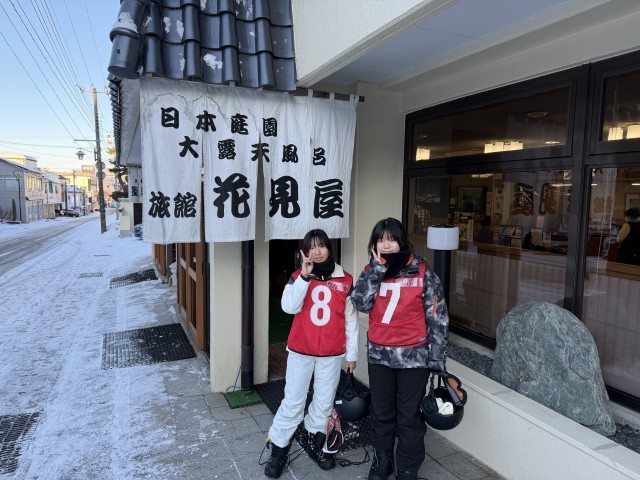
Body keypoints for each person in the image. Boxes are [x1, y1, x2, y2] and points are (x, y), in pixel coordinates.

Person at [351, 218, 449, 480]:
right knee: (381, 413)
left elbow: (438, 317)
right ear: (374, 244)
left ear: (402, 241)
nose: (386, 245)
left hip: (414, 358)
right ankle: (382, 462)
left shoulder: (422, 271)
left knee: (409, 417)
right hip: (380, 356)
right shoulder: (371, 270)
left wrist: (437, 358)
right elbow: (360, 303)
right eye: (381, 240)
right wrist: (376, 271)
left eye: (392, 239)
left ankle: (407, 468)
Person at [264, 229, 359, 478]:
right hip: (301, 350)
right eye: (311, 247)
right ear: (304, 251)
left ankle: (317, 440)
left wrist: (352, 354)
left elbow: (351, 320)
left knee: (324, 401)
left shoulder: (345, 280)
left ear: (330, 248)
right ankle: (278, 449)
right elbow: (288, 307)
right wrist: (305, 277)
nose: (317, 252)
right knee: (293, 401)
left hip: (331, 353)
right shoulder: (298, 276)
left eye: (321, 246)